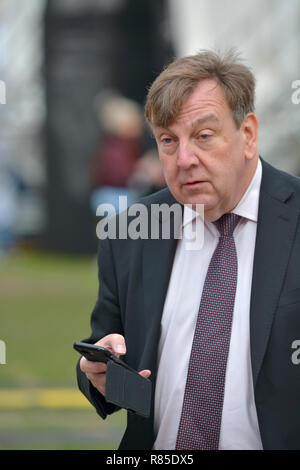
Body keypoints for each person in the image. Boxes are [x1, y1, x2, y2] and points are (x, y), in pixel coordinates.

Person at [77, 50, 300, 450]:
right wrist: (95, 369)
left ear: (248, 134)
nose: (183, 159)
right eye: (167, 140)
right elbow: (105, 347)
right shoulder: (130, 230)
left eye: (203, 136)